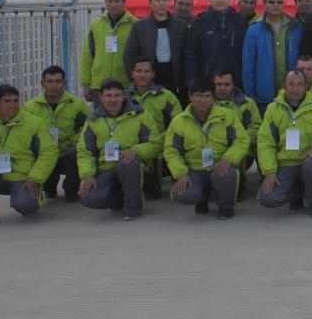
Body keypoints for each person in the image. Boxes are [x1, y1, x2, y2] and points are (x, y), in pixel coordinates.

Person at [0, 84, 57, 226]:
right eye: (7, 101)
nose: (13, 105)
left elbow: (49, 152)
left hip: (24, 178)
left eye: (15, 100)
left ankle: (30, 197)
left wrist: (35, 178)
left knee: (27, 207)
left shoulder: (34, 123)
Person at [164, 77, 249, 219]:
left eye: (207, 96)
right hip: (195, 168)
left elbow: (241, 141)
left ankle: (226, 207)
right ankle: (202, 198)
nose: (202, 100)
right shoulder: (179, 122)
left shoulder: (227, 116)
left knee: (227, 174)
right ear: (190, 96)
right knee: (180, 195)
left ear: (212, 96)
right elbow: (171, 151)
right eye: (198, 95)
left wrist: (228, 158)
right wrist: (181, 173)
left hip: (219, 165)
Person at [77, 79, 160, 220]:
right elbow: (85, 152)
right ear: (100, 97)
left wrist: (136, 150)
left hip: (134, 166)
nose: (113, 100)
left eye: (117, 95)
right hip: (106, 168)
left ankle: (133, 207)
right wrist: (88, 175)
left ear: (124, 96)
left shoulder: (141, 115)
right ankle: (123, 197)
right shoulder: (93, 120)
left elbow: (155, 144)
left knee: (128, 163)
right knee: (89, 198)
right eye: (108, 95)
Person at [257, 70, 312, 218]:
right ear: (284, 86)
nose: (295, 88)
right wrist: (270, 171)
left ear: (306, 86)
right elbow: (265, 142)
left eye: (300, 84)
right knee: (267, 198)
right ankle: (298, 193)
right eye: (291, 84)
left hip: (309, 160)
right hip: (285, 164)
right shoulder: (273, 109)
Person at [22, 65, 90, 202]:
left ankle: (71, 190)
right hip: (44, 153)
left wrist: (77, 141)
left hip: (68, 152)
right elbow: (22, 135)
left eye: (58, 81)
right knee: (34, 153)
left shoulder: (77, 104)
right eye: (50, 81)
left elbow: (91, 128)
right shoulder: (30, 107)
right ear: (42, 84)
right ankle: (48, 187)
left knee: (77, 152)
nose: (54, 86)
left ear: (64, 83)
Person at [125, 57, 183, 200]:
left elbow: (179, 124)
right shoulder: (123, 98)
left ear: (153, 74)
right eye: (139, 71)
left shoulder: (167, 96)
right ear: (132, 74)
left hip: (162, 145)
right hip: (133, 146)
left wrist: (161, 139)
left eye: (146, 71)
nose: (142, 75)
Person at [242, 0, 303, 112]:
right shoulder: (254, 30)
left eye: (279, 2)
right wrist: (250, 94)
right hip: (264, 96)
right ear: (264, 4)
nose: (276, 5)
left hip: (293, 94)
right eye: (271, 2)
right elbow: (248, 64)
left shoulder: (295, 27)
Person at [124, 0, 187, 94]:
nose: (161, 3)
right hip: (148, 82)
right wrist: (136, 80)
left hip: (175, 81)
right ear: (150, 3)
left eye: (165, 0)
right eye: (157, 0)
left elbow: (187, 55)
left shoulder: (180, 26)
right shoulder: (139, 26)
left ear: (169, 2)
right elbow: (129, 55)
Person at [184, 0, 248, 88]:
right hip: (207, 80)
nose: (220, 0)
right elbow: (191, 56)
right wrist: (192, 82)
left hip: (234, 80)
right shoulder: (200, 22)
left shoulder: (240, 21)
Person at [80, 0, 137, 100]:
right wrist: (85, 84)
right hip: (99, 85)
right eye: (110, 1)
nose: (113, 5)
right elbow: (87, 55)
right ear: (105, 2)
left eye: (117, 1)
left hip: (125, 85)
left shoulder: (135, 25)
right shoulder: (96, 24)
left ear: (124, 2)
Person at [212, 69, 262, 200]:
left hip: (242, 151)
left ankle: (238, 186)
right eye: (218, 84)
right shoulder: (205, 103)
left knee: (239, 151)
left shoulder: (247, 103)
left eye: (227, 84)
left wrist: (240, 142)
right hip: (213, 149)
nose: (222, 88)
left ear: (233, 84)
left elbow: (256, 127)